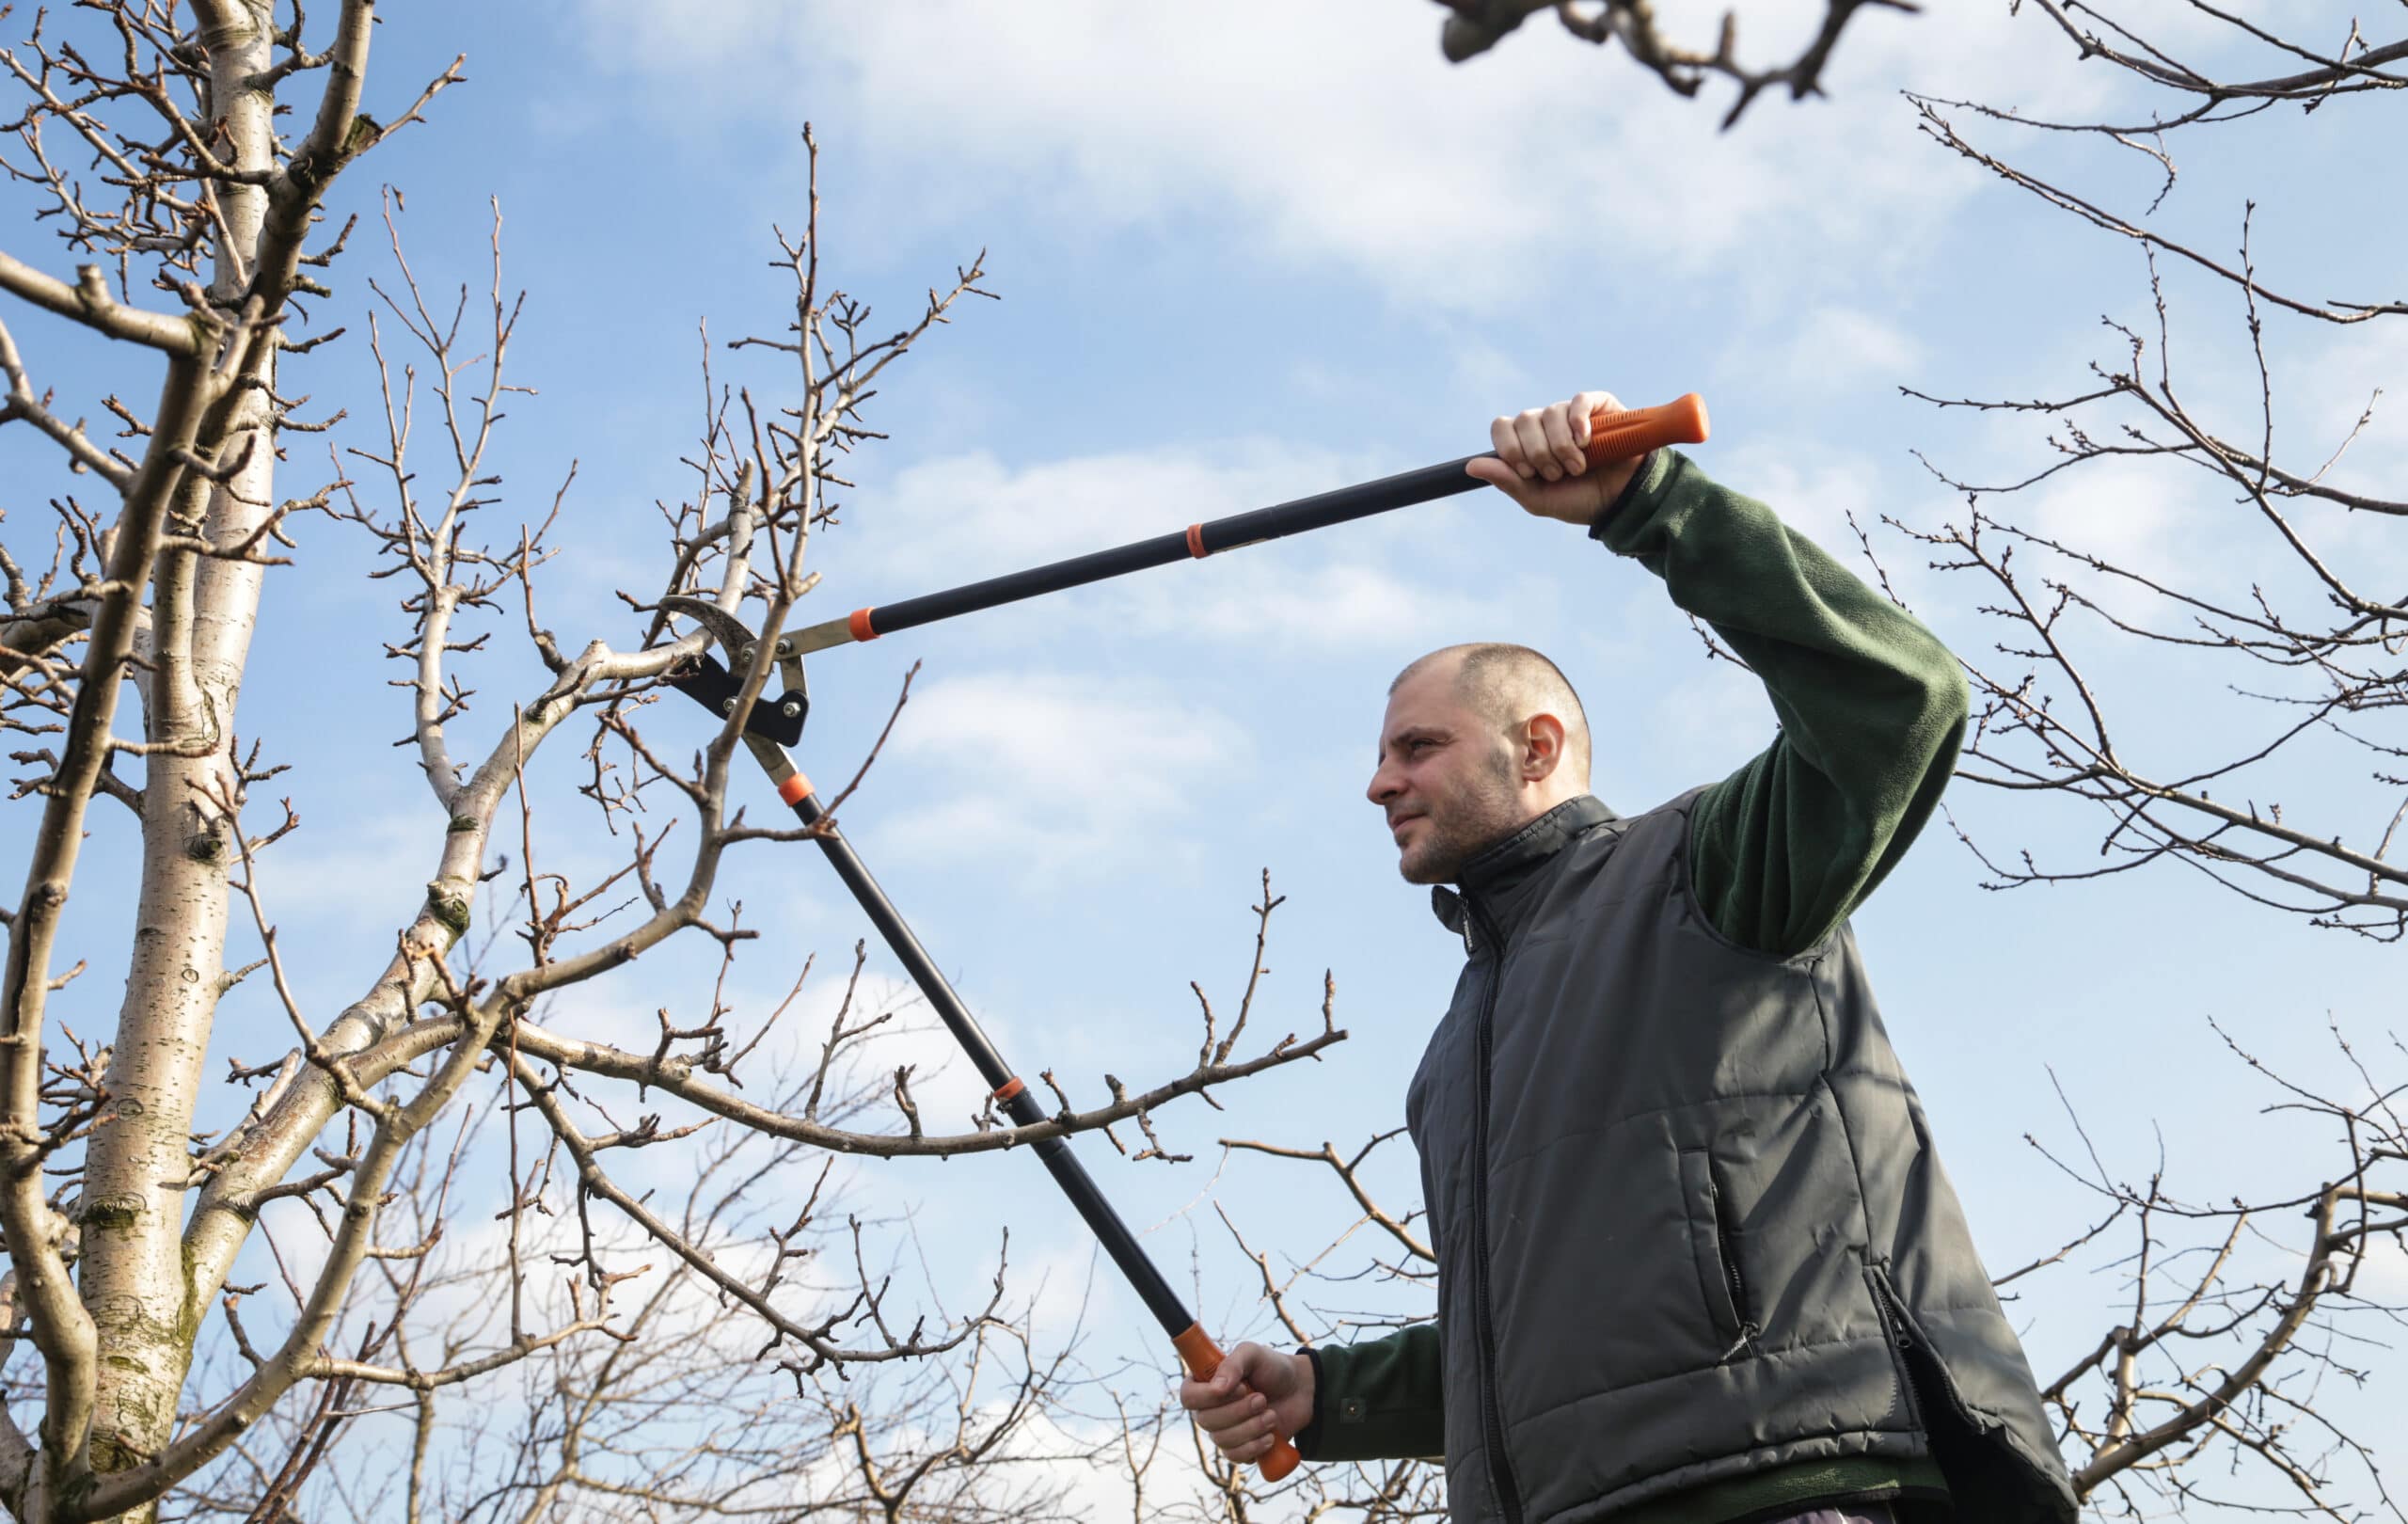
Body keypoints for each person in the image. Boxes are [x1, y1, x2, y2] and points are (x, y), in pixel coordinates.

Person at [1180, 394, 2078, 1524]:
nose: (1379, 782)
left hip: (1789, 1486)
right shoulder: (1453, 1057)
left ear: (1536, 746)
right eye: (1379, 757)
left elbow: (1903, 699)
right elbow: (1554, 1338)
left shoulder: (1702, 871)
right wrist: (1327, 1393)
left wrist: (1653, 504)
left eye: (1417, 747)